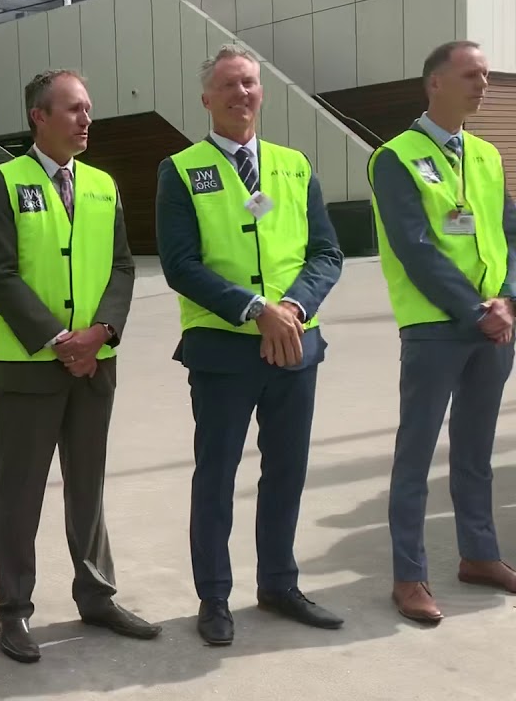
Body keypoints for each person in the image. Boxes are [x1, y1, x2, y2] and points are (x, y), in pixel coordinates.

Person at [155, 45, 344, 646]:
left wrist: (291, 308)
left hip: (295, 346)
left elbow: (326, 253)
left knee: (286, 471)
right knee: (216, 475)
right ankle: (214, 597)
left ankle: (278, 584)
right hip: (224, 351)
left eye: (251, 84)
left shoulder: (293, 164)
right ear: (207, 98)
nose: (242, 94)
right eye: (229, 85)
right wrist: (253, 310)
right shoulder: (182, 169)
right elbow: (180, 264)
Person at [0, 69, 157, 664]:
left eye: (88, 110)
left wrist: (101, 332)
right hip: (32, 367)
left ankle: (97, 595)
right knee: (20, 495)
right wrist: (59, 339)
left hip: (95, 364)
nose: (86, 120)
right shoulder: (4, 181)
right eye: (74, 109)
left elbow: (124, 267)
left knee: (89, 488)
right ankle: (14, 611)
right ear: (40, 116)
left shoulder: (104, 185)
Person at [370, 40, 516, 623]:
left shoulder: (485, 153)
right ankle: (409, 576)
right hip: (437, 327)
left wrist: (506, 301)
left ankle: (479, 555)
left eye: (485, 75)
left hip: (494, 326)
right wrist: (474, 309)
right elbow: (416, 247)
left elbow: (509, 232)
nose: (483, 84)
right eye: (471, 75)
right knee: (416, 453)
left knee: (476, 449)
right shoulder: (395, 156)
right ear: (434, 83)